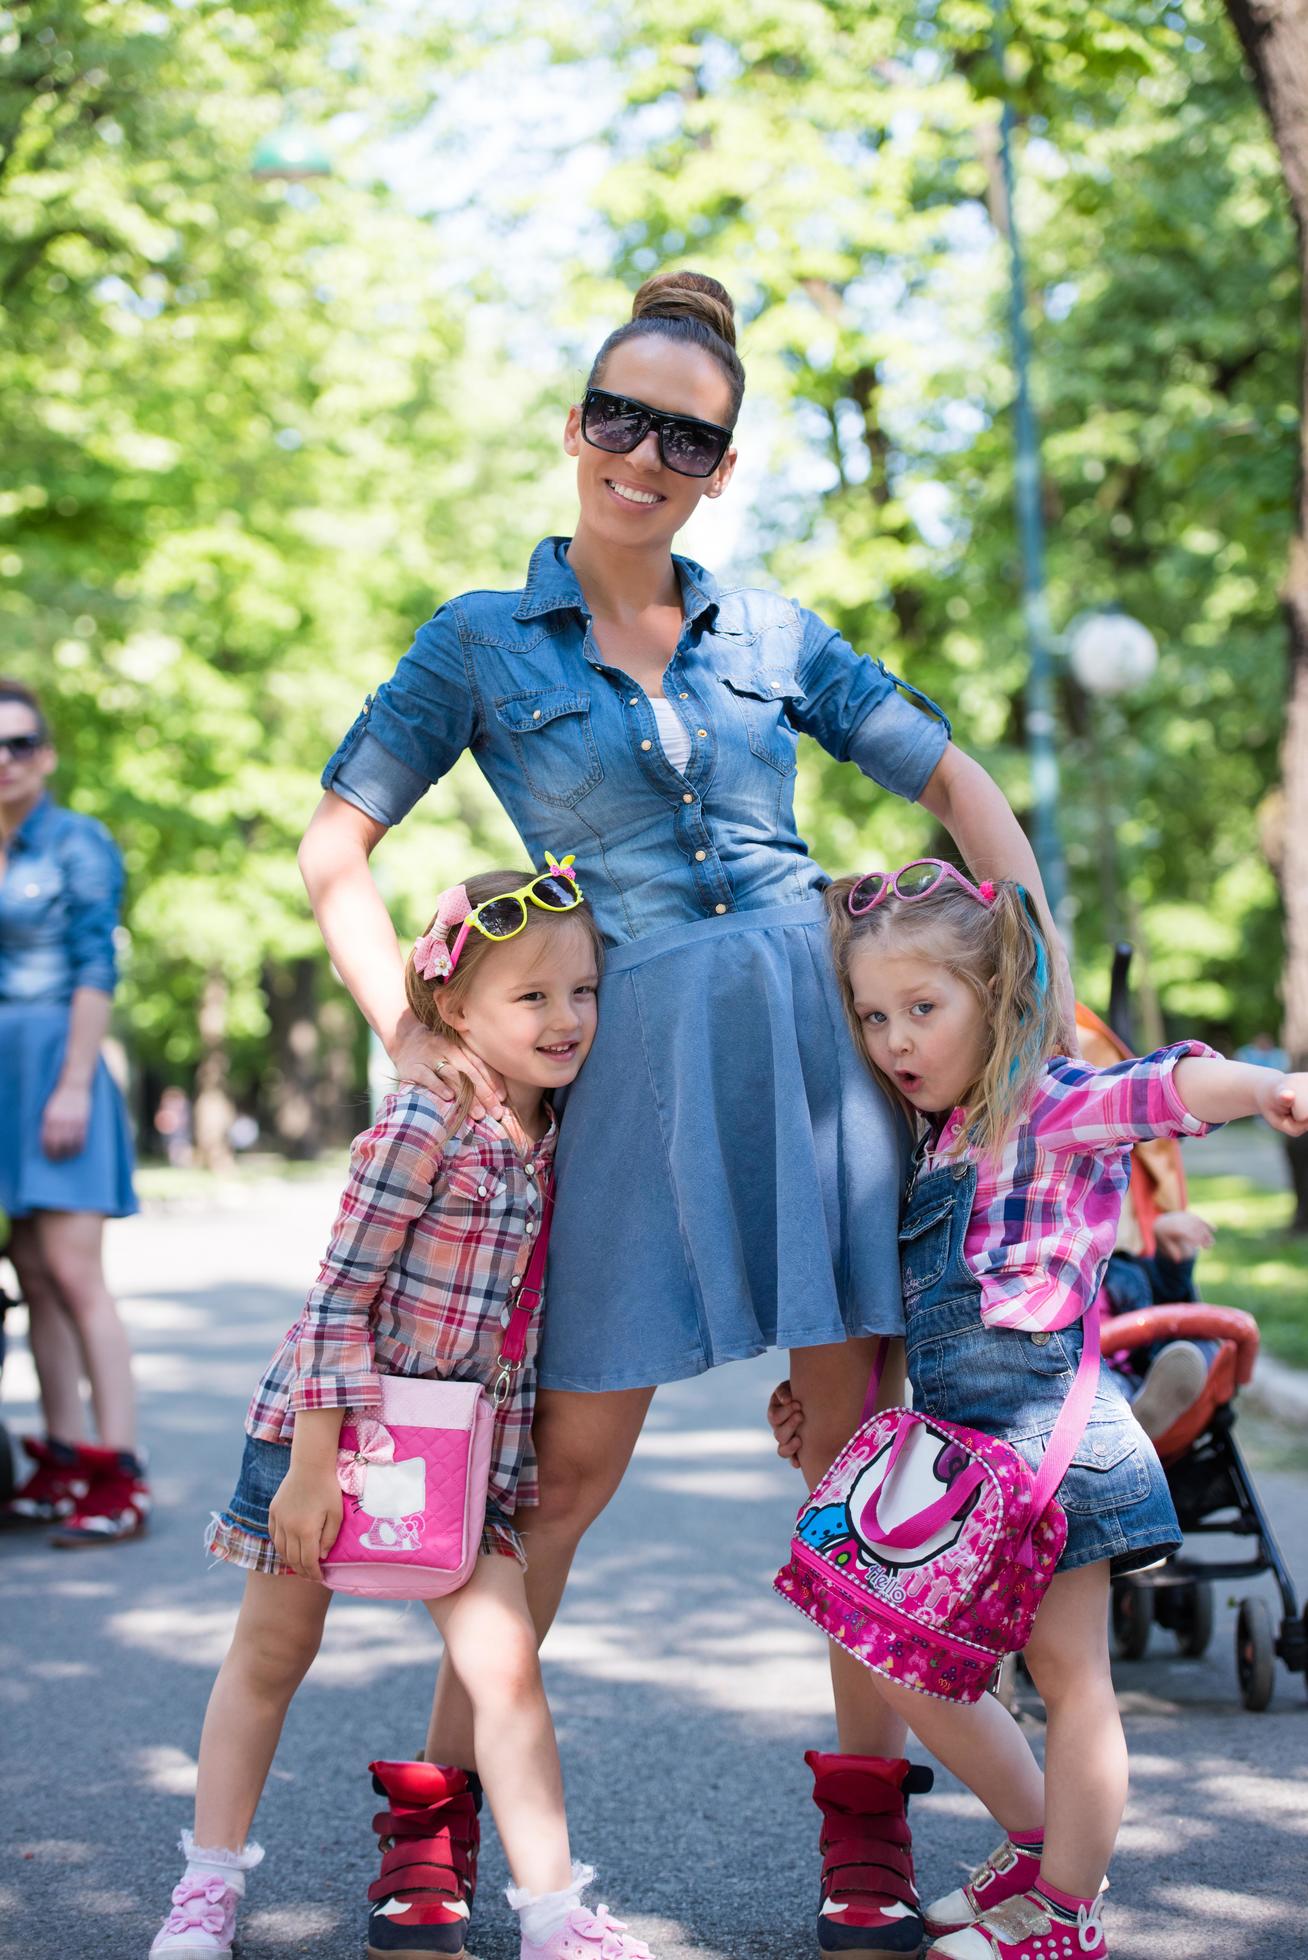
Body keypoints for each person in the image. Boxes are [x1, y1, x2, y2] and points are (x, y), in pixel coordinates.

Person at [297, 268, 1073, 1957]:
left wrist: (1033, 1003)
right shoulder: (475, 642)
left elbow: (952, 781)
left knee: (865, 1469)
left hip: (817, 1058)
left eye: (686, 435)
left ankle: (864, 1837)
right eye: (618, 418)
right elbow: (330, 848)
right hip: (628, 1064)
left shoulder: (769, 632)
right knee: (562, 1476)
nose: (642, 454)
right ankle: (430, 1824)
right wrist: (410, 1029)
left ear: (720, 465)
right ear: (573, 427)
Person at [766, 859, 1308, 1960]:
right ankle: (1036, 1845)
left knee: (1072, 1681)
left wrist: (1259, 1088)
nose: (895, 1041)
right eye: (874, 1016)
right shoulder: (935, 1138)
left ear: (994, 994)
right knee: (886, 1638)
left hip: (1050, 1448)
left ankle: (1064, 1913)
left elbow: (1157, 1089)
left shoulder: (1043, 1104)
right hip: (961, 1452)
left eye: (923, 1008)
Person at [150, 862, 655, 1960]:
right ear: (452, 1010)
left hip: (451, 1457)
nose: (567, 1018)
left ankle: (555, 1913)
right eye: (532, 997)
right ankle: (205, 1890)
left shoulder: (560, 1127)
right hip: (323, 1436)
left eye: (584, 991)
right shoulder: (428, 1117)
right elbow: (340, 1292)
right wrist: (312, 1467)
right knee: (274, 1653)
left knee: (505, 1669)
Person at [0, 677, 148, 1544]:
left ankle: (119, 1472)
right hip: (4, 1077)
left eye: (19, 743)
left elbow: (97, 968)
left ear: (44, 756)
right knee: (32, 1276)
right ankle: (61, 1460)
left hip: (58, 1065)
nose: (5, 760)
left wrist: (71, 1081)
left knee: (75, 1272)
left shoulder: (75, 844)